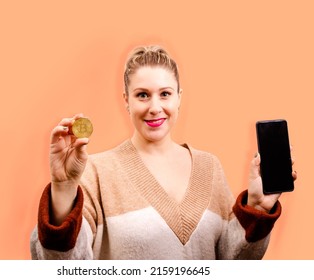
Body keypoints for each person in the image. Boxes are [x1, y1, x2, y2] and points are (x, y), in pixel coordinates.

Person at [30, 45, 297, 260]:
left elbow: (233, 261)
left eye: (165, 94)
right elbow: (63, 266)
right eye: (143, 95)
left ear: (179, 97)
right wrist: (63, 187)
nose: (155, 107)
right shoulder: (96, 172)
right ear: (126, 100)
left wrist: (257, 208)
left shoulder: (209, 167)